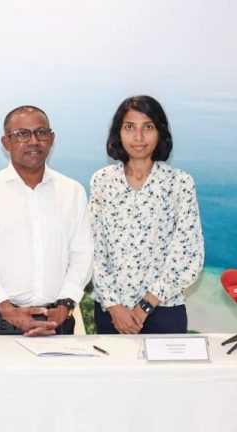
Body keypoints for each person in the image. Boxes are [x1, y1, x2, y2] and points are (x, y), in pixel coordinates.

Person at [0, 105, 93, 336]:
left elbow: (82, 254)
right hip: (0, 318)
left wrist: (65, 305)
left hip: (57, 317)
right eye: (22, 134)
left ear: (51, 139)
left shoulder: (72, 192)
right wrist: (8, 310)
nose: (33, 141)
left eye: (41, 133)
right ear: (6, 142)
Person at [90, 95, 204, 334]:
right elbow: (93, 247)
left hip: (164, 309)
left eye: (148, 127)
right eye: (129, 127)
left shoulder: (179, 183)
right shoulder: (102, 181)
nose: (138, 137)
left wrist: (147, 304)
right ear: (118, 132)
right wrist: (113, 305)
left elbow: (188, 252)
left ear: (160, 132)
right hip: (112, 312)